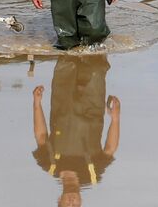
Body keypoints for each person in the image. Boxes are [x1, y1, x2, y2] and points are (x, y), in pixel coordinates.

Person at [32, 55, 120, 206]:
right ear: (81, 202)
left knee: (67, 56)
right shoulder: (93, 173)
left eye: (67, 205)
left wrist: (37, 104)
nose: (72, 202)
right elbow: (110, 149)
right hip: (92, 104)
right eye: (76, 206)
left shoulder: (49, 165)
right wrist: (115, 119)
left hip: (62, 101)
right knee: (96, 61)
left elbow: (41, 136)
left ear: (60, 200)